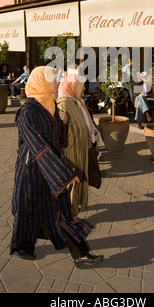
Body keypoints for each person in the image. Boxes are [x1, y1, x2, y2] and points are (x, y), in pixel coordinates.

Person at [10, 66, 104, 268]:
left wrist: (63, 122)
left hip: (52, 169)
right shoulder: (27, 112)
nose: (56, 83)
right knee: (28, 211)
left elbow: (59, 142)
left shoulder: (51, 107)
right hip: (32, 171)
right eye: (52, 80)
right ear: (40, 82)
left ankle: (81, 254)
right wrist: (63, 174)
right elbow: (38, 146)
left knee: (62, 212)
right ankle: (21, 246)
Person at [57, 73, 99, 217]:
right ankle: (69, 213)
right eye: (81, 85)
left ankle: (75, 209)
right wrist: (65, 120)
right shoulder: (63, 103)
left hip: (81, 149)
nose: (84, 88)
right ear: (72, 86)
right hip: (71, 151)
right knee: (71, 181)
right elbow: (59, 129)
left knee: (80, 178)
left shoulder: (77, 101)